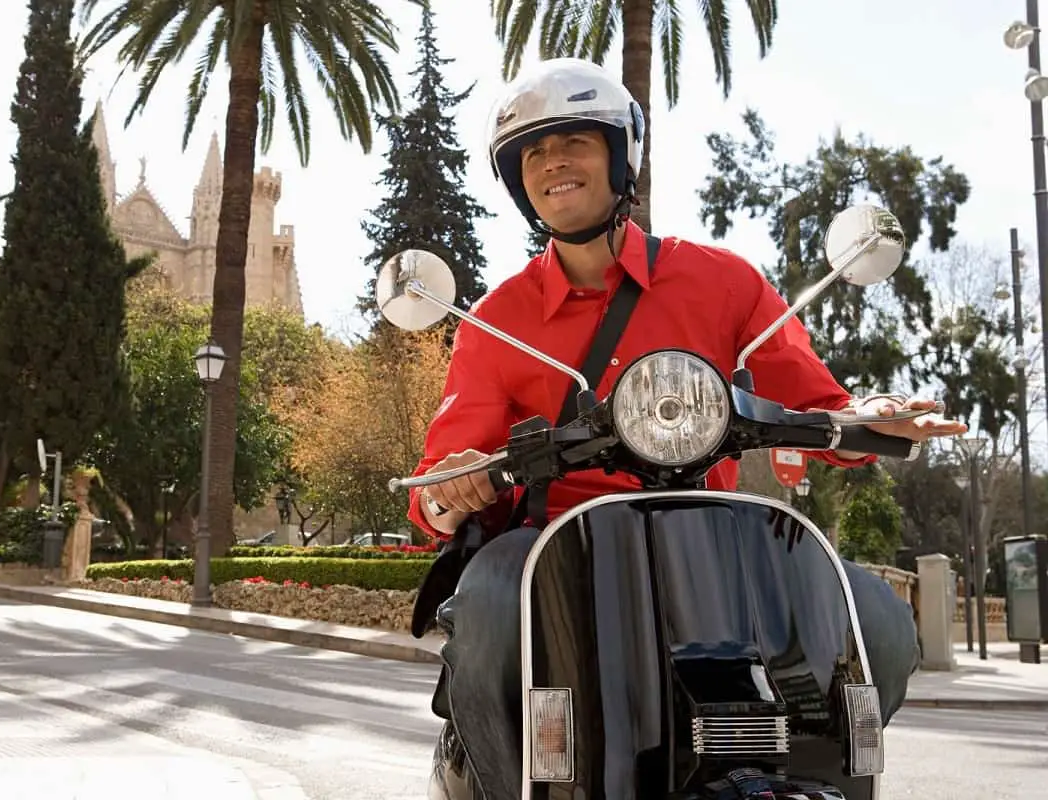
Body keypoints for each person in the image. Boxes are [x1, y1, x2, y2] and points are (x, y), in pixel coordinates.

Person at [406, 57, 967, 797]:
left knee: (880, 625)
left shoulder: (721, 280)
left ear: (621, 156)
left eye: (575, 140)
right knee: (486, 611)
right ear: (518, 182)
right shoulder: (497, 321)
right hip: (559, 545)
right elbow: (445, 466)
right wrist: (458, 484)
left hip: (722, 546)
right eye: (533, 153)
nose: (554, 163)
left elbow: (816, 400)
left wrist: (869, 417)